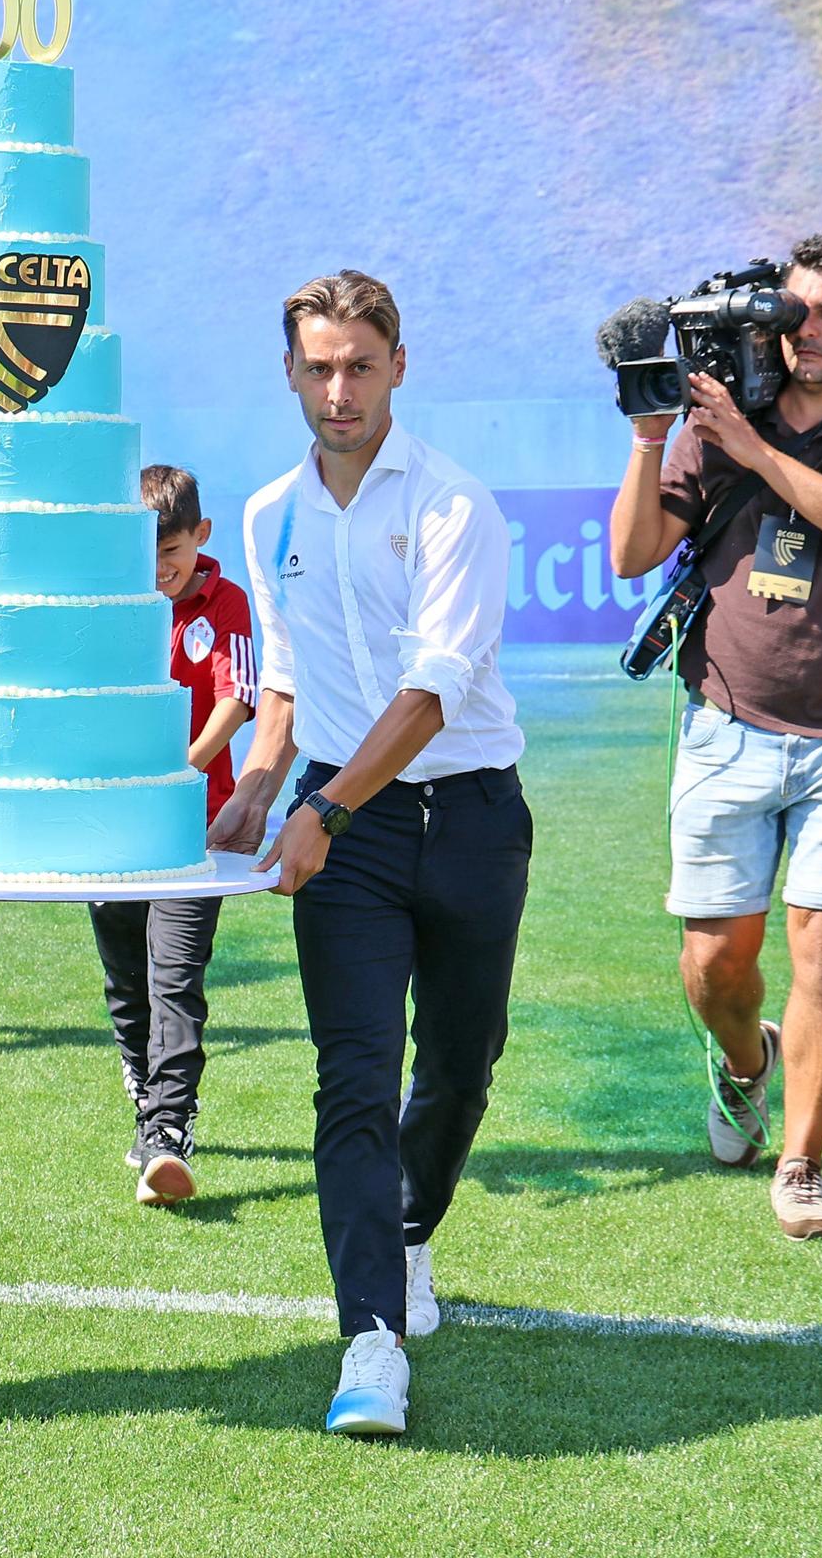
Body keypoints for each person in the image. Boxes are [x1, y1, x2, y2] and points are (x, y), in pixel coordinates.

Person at [211, 270, 529, 1440]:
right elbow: (287, 675)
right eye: (316, 367)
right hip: (344, 826)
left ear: (398, 365)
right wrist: (257, 779)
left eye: (357, 365)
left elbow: (430, 694)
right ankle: (369, 1336)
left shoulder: (452, 505)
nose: (336, 389)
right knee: (349, 1077)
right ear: (288, 372)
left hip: (467, 817)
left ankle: (406, 1232)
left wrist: (320, 808)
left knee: (458, 1064)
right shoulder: (266, 513)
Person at [609, 228, 822, 1242]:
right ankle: (744, 1060)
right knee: (713, 960)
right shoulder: (714, 423)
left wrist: (753, 450)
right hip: (723, 716)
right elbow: (632, 551)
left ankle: (799, 1161)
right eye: (793, 309)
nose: (803, 330)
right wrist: (647, 428)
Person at [89, 464, 256, 1207]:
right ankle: (146, 1104)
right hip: (110, 832)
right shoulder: (109, 604)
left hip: (194, 831)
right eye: (144, 555)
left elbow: (237, 703)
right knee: (127, 983)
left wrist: (177, 777)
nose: (158, 572)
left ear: (201, 538)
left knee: (175, 980)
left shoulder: (227, 605)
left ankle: (169, 1132)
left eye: (172, 554)